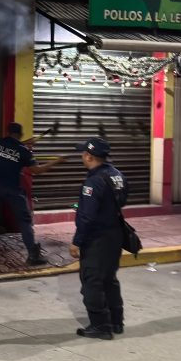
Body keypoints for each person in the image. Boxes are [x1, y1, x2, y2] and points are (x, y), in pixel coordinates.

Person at [0, 122, 65, 265]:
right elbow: (36, 170)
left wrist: (24, 144)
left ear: (8, 132)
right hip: (12, 190)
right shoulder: (24, 152)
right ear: (20, 134)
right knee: (25, 221)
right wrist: (57, 161)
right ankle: (33, 255)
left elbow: (12, 147)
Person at [69, 137, 128, 340]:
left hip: (97, 238)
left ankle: (100, 325)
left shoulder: (93, 181)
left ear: (89, 156)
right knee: (109, 279)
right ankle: (116, 322)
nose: (81, 156)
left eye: (83, 153)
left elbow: (87, 216)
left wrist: (77, 241)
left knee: (92, 281)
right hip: (115, 235)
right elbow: (122, 201)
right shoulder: (117, 175)